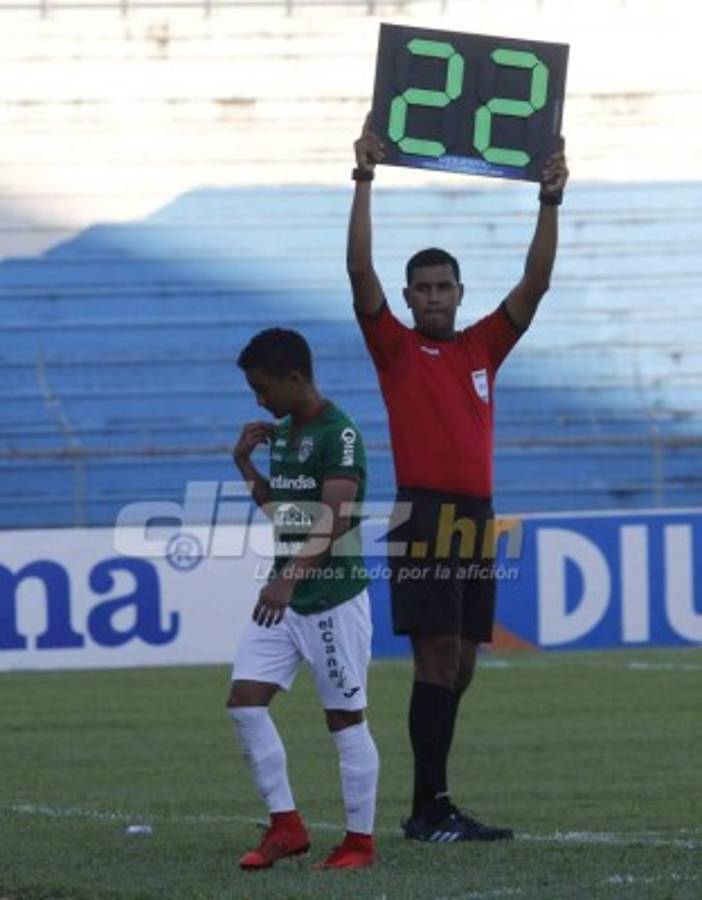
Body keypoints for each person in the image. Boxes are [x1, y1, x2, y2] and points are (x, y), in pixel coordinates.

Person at [347, 117, 569, 842]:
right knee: (437, 656)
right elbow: (358, 275)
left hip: (476, 516)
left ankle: (430, 800)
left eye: (444, 286)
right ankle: (429, 807)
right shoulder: (396, 349)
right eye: (423, 288)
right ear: (409, 300)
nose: (434, 296)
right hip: (423, 515)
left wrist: (549, 200)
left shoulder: (484, 346)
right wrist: (364, 178)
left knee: (463, 660)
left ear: (459, 291)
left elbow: (535, 283)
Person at [226, 327, 379, 870]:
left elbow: (335, 520)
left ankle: (359, 843)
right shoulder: (285, 434)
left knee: (345, 720)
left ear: (294, 378)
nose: (258, 400)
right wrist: (245, 467)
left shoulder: (339, 434)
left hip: (331, 599)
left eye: (262, 388)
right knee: (245, 702)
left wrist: (287, 578)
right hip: (287, 596)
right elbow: (288, 517)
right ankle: (286, 827)